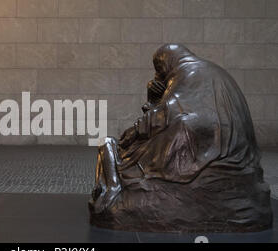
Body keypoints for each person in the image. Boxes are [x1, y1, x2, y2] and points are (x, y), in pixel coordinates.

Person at [89, 44, 272, 232]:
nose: (159, 76)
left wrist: (138, 125)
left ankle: (121, 179)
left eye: (159, 70)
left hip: (204, 145)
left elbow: (163, 115)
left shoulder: (186, 73)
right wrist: (156, 99)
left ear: (166, 64)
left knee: (133, 151)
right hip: (236, 151)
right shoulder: (210, 70)